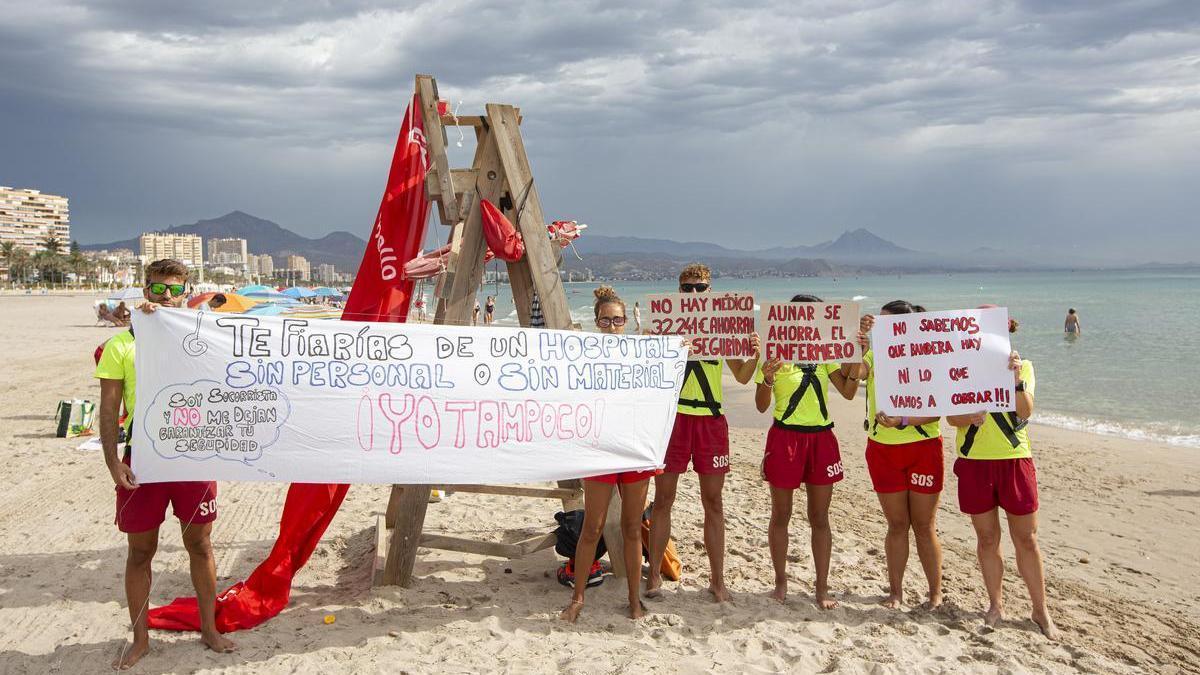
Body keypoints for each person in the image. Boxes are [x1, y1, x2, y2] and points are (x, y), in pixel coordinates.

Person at [96, 259, 235, 669]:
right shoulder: (121, 345)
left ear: (185, 292)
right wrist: (111, 462)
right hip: (143, 460)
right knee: (140, 552)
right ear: (145, 291)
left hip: (193, 456)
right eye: (157, 289)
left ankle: (209, 628)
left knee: (200, 543)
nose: (166, 297)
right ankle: (140, 639)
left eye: (174, 289)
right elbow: (108, 411)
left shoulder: (202, 334)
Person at [646, 263, 758, 603]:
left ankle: (718, 580)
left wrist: (755, 352)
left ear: (710, 292)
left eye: (701, 288)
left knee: (714, 502)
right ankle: (653, 578)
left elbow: (741, 376)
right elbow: (650, 373)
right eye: (689, 288)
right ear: (679, 292)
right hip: (675, 418)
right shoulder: (664, 329)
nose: (695, 294)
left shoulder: (722, 329)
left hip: (711, 420)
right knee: (664, 500)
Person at [947, 308, 1058, 639]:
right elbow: (952, 418)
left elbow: (1026, 411)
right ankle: (995, 605)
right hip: (975, 459)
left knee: (1026, 538)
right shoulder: (959, 369)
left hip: (1014, 458)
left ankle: (1040, 611)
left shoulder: (1023, 367)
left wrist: (1015, 379)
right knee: (987, 538)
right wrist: (970, 417)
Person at [755, 293, 860, 608]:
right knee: (781, 514)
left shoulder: (826, 354)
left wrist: (856, 354)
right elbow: (761, 407)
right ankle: (780, 581)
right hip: (785, 438)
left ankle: (822, 588)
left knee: (820, 517)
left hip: (821, 439)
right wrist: (769, 377)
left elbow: (849, 392)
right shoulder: (775, 356)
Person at [561, 286, 658, 623]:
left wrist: (670, 351)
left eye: (618, 320)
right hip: (599, 447)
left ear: (626, 321)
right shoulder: (585, 354)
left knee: (632, 527)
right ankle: (577, 598)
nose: (613, 327)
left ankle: (634, 600)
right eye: (606, 321)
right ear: (597, 322)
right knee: (593, 526)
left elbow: (660, 386)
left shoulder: (643, 351)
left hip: (633, 447)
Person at [857, 301, 944, 610]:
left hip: (923, 448)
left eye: (887, 323)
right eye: (879, 322)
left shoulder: (928, 356)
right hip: (882, 449)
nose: (882, 327)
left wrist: (905, 420)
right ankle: (896, 592)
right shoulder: (873, 353)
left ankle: (935, 593)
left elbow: (937, 410)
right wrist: (857, 343)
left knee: (924, 525)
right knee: (896, 524)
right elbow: (854, 373)